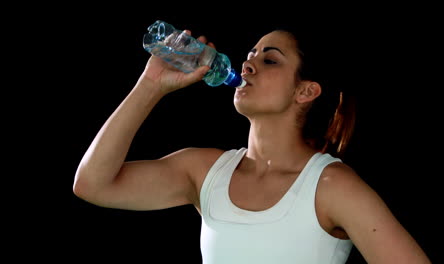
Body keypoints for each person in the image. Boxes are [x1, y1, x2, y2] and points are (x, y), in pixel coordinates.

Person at [73, 26, 431, 263]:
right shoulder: (204, 172)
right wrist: (151, 84)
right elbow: (93, 184)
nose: (247, 64)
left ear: (305, 91)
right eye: (251, 54)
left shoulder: (331, 186)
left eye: (269, 59)